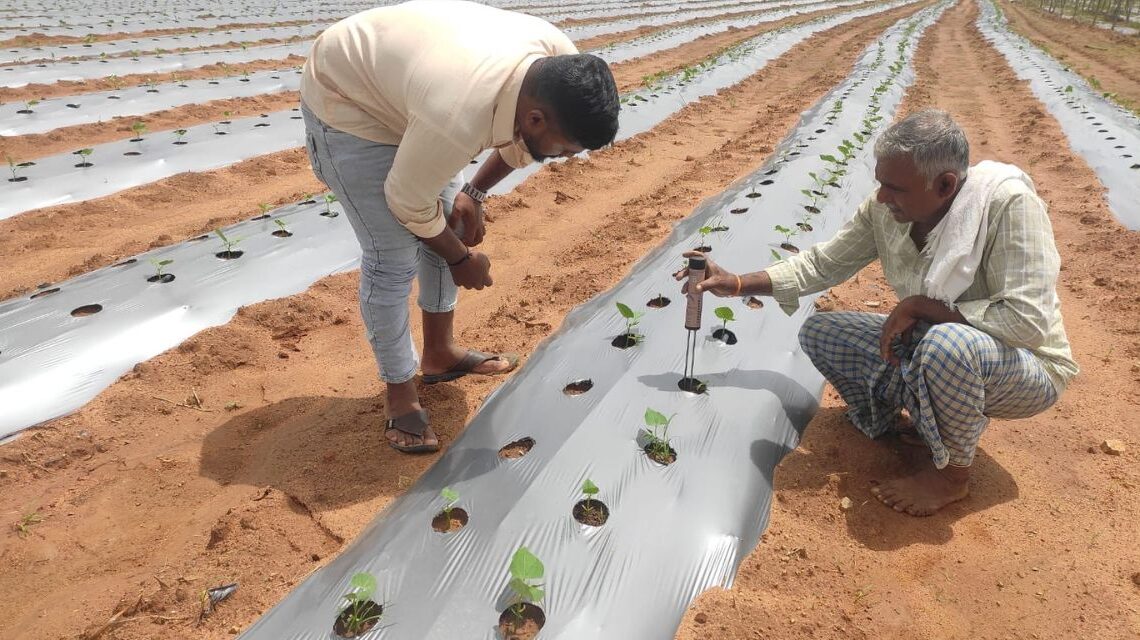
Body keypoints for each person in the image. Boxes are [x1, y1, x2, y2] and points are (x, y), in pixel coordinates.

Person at [678, 109, 1078, 515]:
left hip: (1024, 367)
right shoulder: (886, 211)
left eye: (895, 187)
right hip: (939, 343)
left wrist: (921, 306)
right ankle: (912, 425)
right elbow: (823, 264)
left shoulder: (1007, 207)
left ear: (944, 185)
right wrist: (738, 284)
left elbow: (1026, 322)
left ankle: (951, 477)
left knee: (947, 345)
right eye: (880, 183)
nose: (883, 196)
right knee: (822, 332)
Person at [300, 0, 619, 453]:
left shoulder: (556, 64)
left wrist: (475, 192)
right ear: (534, 118)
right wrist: (461, 259)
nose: (567, 157)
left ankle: (439, 353)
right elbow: (407, 200)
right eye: (566, 149)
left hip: (416, 84)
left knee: (448, 218)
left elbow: (527, 145)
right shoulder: (456, 112)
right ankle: (399, 393)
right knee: (392, 255)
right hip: (348, 99)